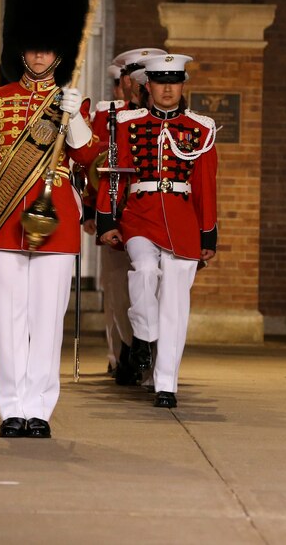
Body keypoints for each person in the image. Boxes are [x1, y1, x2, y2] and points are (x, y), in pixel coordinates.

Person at [0, 0, 95, 438]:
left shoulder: (74, 101)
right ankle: (11, 407)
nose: (37, 57)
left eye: (46, 49)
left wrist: (75, 116)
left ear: (58, 51)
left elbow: (87, 155)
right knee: (8, 318)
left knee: (47, 318)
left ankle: (40, 408)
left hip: (55, 218)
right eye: (32, 48)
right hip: (5, 215)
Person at [96, 53, 218, 408]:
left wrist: (208, 234)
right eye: (161, 82)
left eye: (174, 82)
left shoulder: (201, 127)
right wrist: (106, 220)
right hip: (140, 214)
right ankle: (145, 337)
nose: (168, 88)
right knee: (145, 271)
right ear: (147, 86)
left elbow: (206, 185)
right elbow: (114, 173)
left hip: (183, 220)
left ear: (182, 85)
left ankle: (166, 384)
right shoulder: (127, 123)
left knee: (176, 304)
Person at [91, 47, 164, 384]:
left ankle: (151, 361)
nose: (137, 85)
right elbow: (95, 166)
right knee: (119, 288)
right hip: (119, 214)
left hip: (157, 215)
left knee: (159, 290)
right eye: (131, 78)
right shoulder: (109, 117)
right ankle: (125, 350)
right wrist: (95, 213)